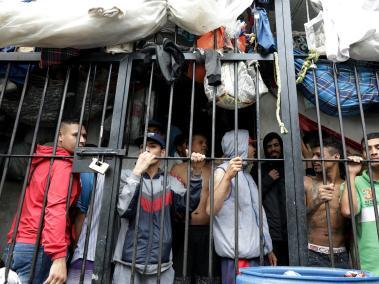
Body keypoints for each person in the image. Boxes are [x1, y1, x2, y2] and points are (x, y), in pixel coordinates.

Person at [112, 132, 206, 283]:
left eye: (152, 146)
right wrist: (137, 172)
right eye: (143, 147)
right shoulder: (127, 176)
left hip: (162, 264)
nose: (146, 150)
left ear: (162, 153)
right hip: (127, 261)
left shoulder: (170, 182)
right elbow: (124, 209)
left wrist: (196, 173)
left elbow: (188, 206)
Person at [4, 119, 87, 284]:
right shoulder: (63, 166)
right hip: (40, 248)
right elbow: (56, 209)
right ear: (60, 137)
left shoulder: (42, 161)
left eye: (84, 135)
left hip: (18, 244)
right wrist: (58, 256)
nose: (83, 140)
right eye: (76, 135)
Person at [207, 130, 276, 284]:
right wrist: (227, 177)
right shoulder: (222, 172)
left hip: (257, 255)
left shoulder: (247, 176)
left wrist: (268, 248)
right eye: (250, 144)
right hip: (238, 260)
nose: (254, 149)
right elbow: (210, 209)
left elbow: (259, 215)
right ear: (240, 146)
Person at [171, 133, 220, 283]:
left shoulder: (212, 169)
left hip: (207, 230)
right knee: (181, 277)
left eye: (206, 142)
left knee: (206, 277)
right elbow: (170, 198)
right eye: (200, 142)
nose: (205, 145)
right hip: (183, 229)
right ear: (189, 146)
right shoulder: (178, 168)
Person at [304, 137, 349, 268]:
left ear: (336, 157)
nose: (313, 159)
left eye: (318, 155)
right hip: (313, 253)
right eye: (313, 155)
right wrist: (316, 200)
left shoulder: (348, 185)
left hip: (341, 254)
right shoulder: (307, 182)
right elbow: (294, 217)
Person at [341, 132, 379, 275]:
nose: (373, 152)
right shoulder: (356, 182)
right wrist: (351, 174)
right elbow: (348, 211)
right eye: (367, 149)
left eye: (378, 147)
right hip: (369, 267)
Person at [258, 132, 288, 266]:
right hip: (271, 234)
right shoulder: (259, 169)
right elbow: (253, 196)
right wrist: (267, 180)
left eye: (276, 145)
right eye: (269, 146)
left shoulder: (290, 166)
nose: (273, 149)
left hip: (292, 233)